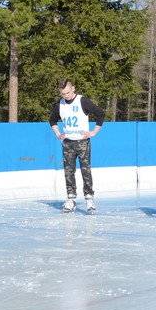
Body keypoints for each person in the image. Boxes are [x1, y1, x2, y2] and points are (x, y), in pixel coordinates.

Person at [49, 78, 105, 213]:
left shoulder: (82, 101)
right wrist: (58, 133)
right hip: (68, 143)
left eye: (68, 92)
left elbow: (100, 113)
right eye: (63, 94)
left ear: (73, 88)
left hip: (82, 142)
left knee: (86, 170)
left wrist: (94, 132)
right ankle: (71, 198)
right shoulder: (60, 104)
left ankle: (89, 198)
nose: (66, 96)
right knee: (69, 172)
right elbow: (52, 120)